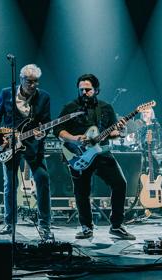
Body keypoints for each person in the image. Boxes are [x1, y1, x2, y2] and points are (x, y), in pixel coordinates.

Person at [53, 73, 136, 240]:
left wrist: (119, 132)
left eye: (88, 89)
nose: (84, 92)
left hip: (102, 152)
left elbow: (111, 133)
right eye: (81, 89)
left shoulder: (106, 108)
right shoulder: (70, 107)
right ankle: (86, 227)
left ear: (96, 90)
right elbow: (58, 131)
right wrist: (74, 139)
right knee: (81, 191)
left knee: (120, 184)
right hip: (77, 154)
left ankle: (116, 225)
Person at [0, 64, 54, 240]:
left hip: (34, 145)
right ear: (21, 79)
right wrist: (0, 136)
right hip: (10, 144)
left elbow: (47, 122)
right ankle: (9, 223)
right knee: (10, 184)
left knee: (43, 180)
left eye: (36, 82)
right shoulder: (6, 93)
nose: (33, 86)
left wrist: (42, 133)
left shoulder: (44, 97)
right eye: (29, 82)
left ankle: (45, 225)